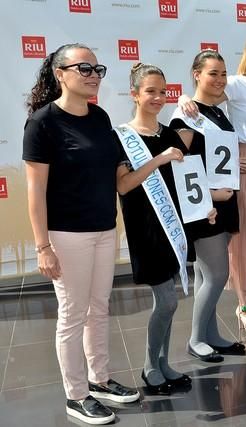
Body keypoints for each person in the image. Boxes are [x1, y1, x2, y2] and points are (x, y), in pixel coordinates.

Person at [23, 43, 139, 425]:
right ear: (60, 74)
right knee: (73, 315)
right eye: (84, 68)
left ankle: (100, 380)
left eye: (97, 69)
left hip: (105, 229)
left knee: (100, 309)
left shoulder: (99, 116)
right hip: (66, 235)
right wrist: (43, 246)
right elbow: (35, 193)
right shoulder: (43, 122)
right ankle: (76, 395)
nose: (93, 75)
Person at [115, 63, 217, 394]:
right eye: (150, 91)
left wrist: (205, 208)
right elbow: (125, 185)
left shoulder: (169, 134)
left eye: (163, 92)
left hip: (174, 229)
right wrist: (158, 160)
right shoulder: (121, 138)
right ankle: (148, 365)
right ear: (134, 94)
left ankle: (163, 363)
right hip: (146, 230)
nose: (158, 98)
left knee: (169, 300)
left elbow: (188, 182)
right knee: (168, 301)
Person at [180, 29, 246, 335]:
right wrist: (184, 98)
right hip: (243, 165)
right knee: (241, 239)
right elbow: (204, 100)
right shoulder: (236, 85)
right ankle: (244, 306)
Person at [169, 50, 246, 359]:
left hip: (225, 201)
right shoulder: (187, 114)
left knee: (206, 274)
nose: (220, 79)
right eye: (213, 73)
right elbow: (179, 167)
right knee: (216, 275)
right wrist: (212, 195)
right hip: (204, 205)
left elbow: (214, 157)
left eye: (224, 74)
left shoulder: (218, 112)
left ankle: (211, 333)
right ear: (196, 74)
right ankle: (196, 339)